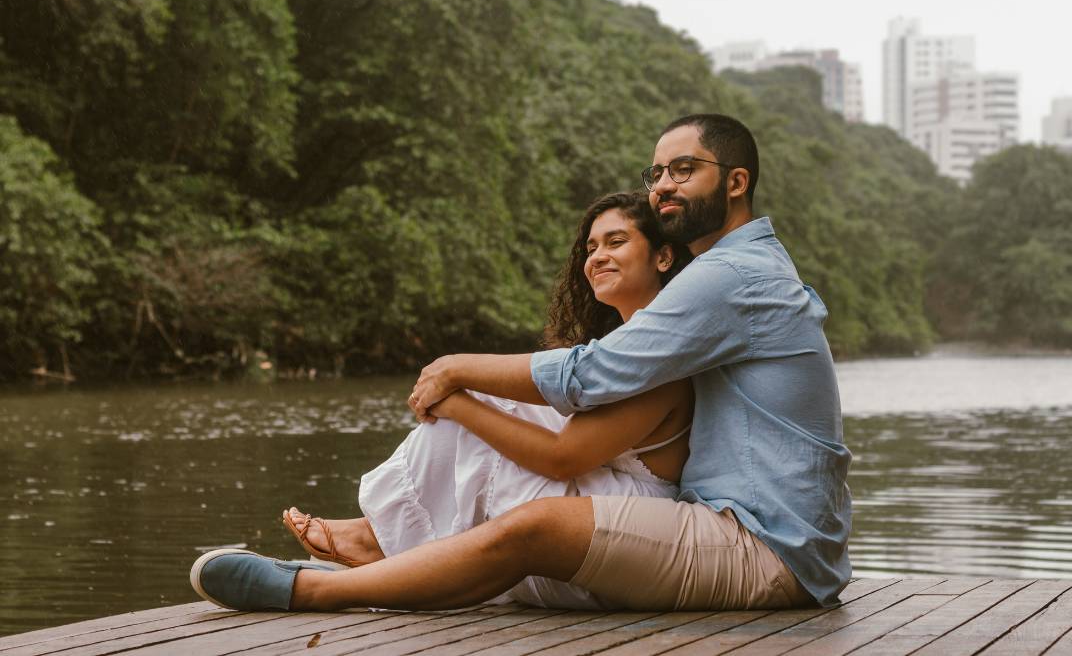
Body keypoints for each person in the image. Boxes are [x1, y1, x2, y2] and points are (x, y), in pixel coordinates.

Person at [191, 113, 852, 614]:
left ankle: (313, 593)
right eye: (655, 174)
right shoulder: (732, 272)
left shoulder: (733, 276)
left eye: (683, 170)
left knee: (536, 521)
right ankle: (384, 551)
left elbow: (588, 375)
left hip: (769, 548)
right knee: (511, 436)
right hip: (741, 526)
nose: (662, 188)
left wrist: (457, 368)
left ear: (736, 182)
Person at [277, 191, 695, 609]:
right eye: (591, 247)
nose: (597, 257)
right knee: (489, 395)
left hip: (631, 529)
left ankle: (382, 539)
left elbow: (561, 459)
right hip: (600, 495)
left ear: (662, 257)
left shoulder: (663, 354)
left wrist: (459, 403)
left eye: (615, 242)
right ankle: (384, 535)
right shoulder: (614, 349)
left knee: (478, 400)